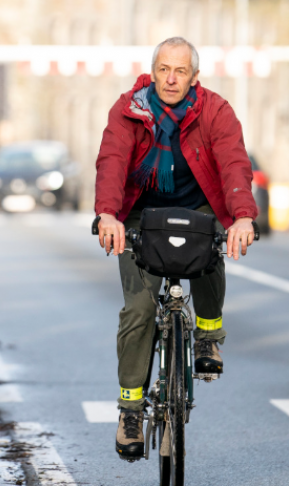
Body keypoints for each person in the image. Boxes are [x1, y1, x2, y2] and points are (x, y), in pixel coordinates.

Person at [94, 36, 258, 460]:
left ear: (194, 77)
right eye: (164, 69)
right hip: (140, 214)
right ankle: (130, 411)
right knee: (140, 309)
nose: (171, 79)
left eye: (180, 71)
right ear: (153, 71)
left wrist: (241, 216)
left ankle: (207, 337)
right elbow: (112, 160)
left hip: (196, 207)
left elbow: (233, 162)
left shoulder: (215, 111)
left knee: (211, 249)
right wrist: (108, 214)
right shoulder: (129, 110)